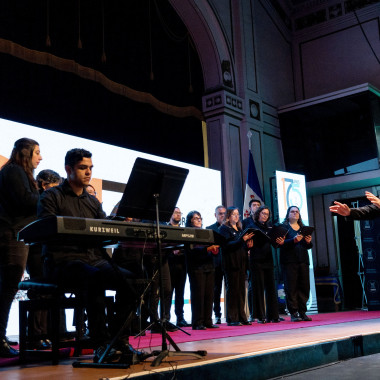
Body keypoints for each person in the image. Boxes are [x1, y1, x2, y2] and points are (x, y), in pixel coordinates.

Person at [37, 148, 144, 364]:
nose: (88, 172)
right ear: (69, 169)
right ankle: (101, 343)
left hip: (93, 260)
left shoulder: (93, 203)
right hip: (63, 262)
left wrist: (119, 226)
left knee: (135, 282)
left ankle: (117, 339)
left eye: (90, 168)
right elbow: (47, 233)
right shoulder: (51, 196)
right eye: (83, 168)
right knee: (93, 277)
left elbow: (105, 235)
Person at [0, 138, 42, 357]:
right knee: (7, 288)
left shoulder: (14, 172)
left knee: (7, 288)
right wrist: (46, 194)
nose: (40, 157)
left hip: (14, 234)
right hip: (11, 235)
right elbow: (25, 201)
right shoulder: (15, 171)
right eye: (37, 153)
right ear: (26, 153)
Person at [26, 169, 62, 350]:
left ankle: (44, 334)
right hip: (35, 250)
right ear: (42, 184)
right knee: (38, 292)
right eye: (52, 187)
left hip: (48, 250)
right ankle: (34, 335)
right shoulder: (36, 200)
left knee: (47, 293)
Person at [218, 207, 253, 326]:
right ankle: (232, 318)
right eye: (234, 214)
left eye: (238, 214)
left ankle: (242, 316)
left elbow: (241, 246)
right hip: (231, 263)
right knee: (233, 291)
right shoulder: (224, 229)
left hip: (241, 263)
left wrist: (248, 245)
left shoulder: (239, 229)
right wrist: (242, 240)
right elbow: (226, 246)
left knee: (241, 291)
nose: (237, 216)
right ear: (228, 216)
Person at [185, 211, 219, 330]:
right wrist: (207, 250)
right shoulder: (188, 234)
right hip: (196, 267)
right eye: (196, 218)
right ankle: (197, 322)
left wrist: (214, 251)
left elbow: (211, 249)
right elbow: (191, 252)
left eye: (200, 218)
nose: (199, 220)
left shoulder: (206, 233)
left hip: (209, 266)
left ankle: (208, 321)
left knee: (209, 295)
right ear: (190, 221)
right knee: (198, 295)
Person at [278, 206, 312, 322]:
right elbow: (280, 244)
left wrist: (308, 242)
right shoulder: (283, 228)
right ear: (288, 214)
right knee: (291, 288)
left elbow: (308, 246)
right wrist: (293, 240)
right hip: (289, 261)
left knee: (304, 287)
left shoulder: (303, 228)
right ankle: (294, 312)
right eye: (292, 212)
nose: (295, 213)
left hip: (303, 260)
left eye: (297, 212)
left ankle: (303, 312)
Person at [249, 206, 282, 323]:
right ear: (258, 214)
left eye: (267, 214)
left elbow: (274, 244)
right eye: (263, 213)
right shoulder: (252, 226)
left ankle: (273, 315)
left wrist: (279, 242)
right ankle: (259, 315)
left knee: (271, 288)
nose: (265, 216)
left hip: (268, 259)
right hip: (256, 259)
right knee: (258, 288)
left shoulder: (270, 227)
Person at [167, 207, 190, 327]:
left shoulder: (183, 230)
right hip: (169, 265)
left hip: (182, 264)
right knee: (168, 293)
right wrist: (172, 252)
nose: (178, 215)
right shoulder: (166, 228)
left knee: (180, 293)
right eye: (175, 213)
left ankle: (180, 318)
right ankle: (166, 318)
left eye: (179, 213)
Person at [242, 198, 262, 321]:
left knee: (262, 285)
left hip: (262, 256)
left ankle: (262, 313)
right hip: (250, 256)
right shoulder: (245, 222)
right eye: (254, 205)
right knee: (252, 284)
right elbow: (243, 237)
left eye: (258, 205)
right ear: (249, 208)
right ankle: (252, 314)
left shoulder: (263, 221)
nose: (256, 207)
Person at [206, 205, 226, 324]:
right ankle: (217, 314)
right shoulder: (210, 229)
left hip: (228, 263)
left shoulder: (230, 228)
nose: (222, 216)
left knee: (230, 289)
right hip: (215, 263)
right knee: (216, 290)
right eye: (220, 214)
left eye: (224, 213)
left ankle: (233, 315)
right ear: (215, 215)